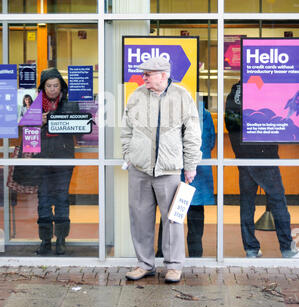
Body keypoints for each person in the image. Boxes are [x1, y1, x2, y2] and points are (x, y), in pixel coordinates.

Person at [121, 56, 202, 283]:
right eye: (143, 74)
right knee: (140, 218)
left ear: (164, 75)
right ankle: (144, 264)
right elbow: (126, 130)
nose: (143, 77)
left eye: (148, 74)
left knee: (173, 219)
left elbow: (193, 134)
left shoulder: (181, 96)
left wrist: (191, 165)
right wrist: (128, 155)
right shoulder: (136, 96)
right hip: (140, 169)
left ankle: (174, 265)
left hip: (169, 170)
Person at [225, 80, 299, 258]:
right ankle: (287, 248)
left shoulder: (236, 90)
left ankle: (251, 248)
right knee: (278, 200)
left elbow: (231, 123)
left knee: (247, 203)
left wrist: (239, 149)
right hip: (264, 155)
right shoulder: (263, 89)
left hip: (244, 157)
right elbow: (278, 120)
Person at [156, 102, 216, 257]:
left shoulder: (168, 111)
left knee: (170, 212)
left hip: (173, 171)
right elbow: (210, 142)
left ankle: (164, 253)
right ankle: (196, 253)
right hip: (198, 173)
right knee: (195, 214)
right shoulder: (204, 114)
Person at [36, 68, 79, 256]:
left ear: (61, 86)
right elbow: (24, 131)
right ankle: (45, 241)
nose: (53, 89)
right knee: (43, 199)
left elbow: (79, 131)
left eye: (56, 85)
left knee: (62, 198)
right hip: (41, 159)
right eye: (49, 86)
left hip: (63, 157)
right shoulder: (35, 106)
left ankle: (61, 240)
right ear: (43, 88)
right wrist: (38, 122)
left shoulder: (70, 104)